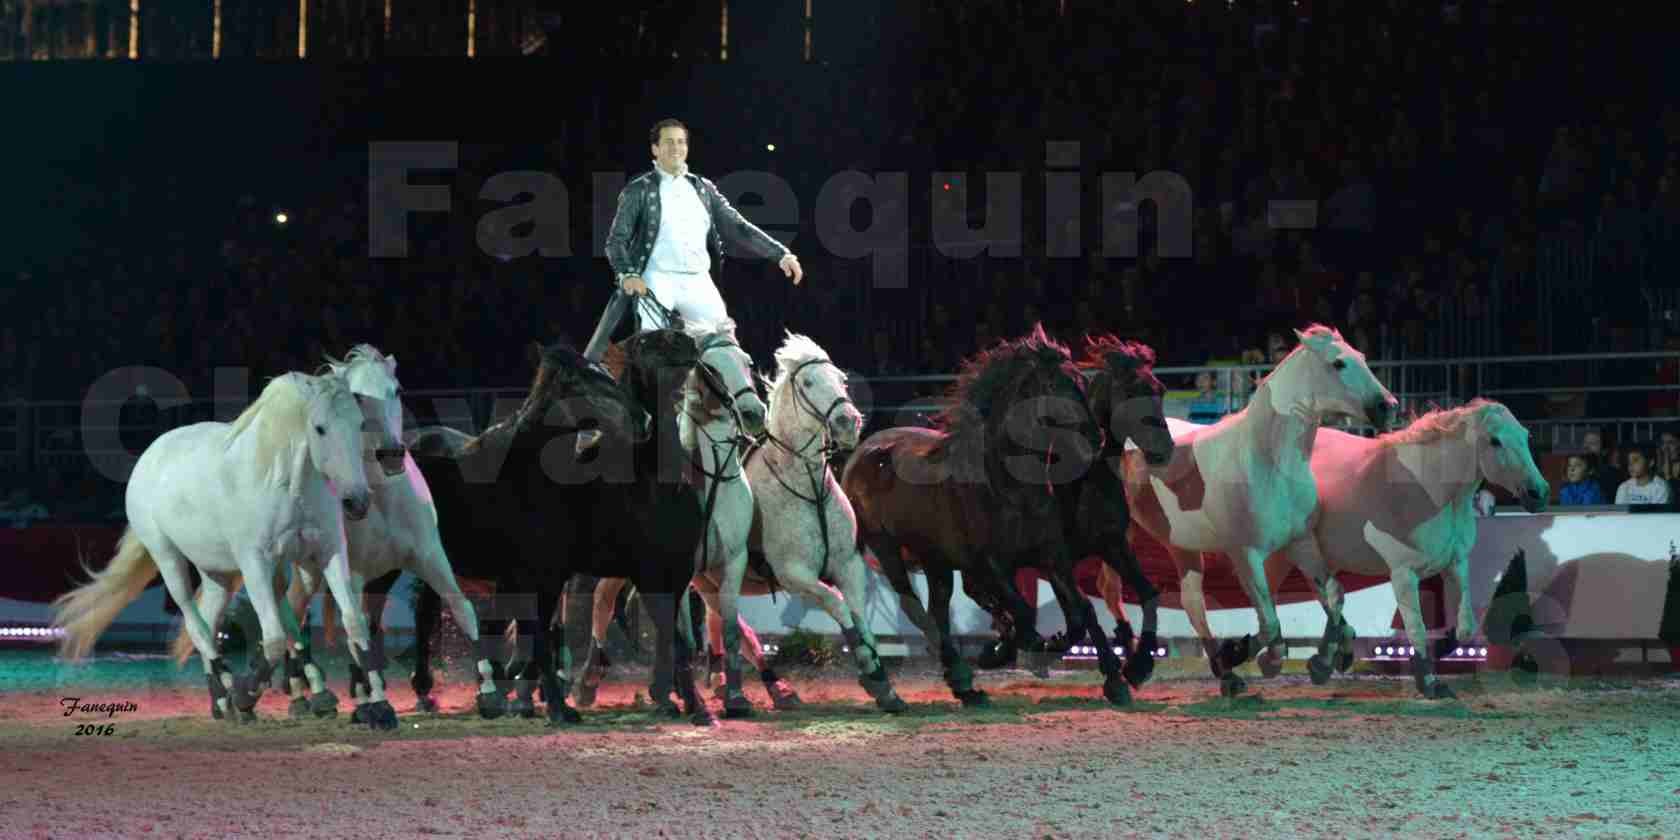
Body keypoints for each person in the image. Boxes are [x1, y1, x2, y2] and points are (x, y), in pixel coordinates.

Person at [584, 118, 802, 359]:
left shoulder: (703, 189)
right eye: (668, 142)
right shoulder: (639, 190)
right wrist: (628, 273)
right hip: (658, 279)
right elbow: (616, 240)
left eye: (681, 142)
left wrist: (780, 254)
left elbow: (738, 227)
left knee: (726, 349)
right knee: (655, 350)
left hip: (698, 280)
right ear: (655, 149)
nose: (676, 147)